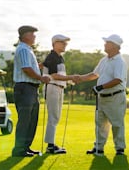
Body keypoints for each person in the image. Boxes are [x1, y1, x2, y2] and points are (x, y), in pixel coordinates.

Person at [79, 34, 128, 156]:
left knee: (117, 123)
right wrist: (80, 78)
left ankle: (119, 148)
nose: (105, 44)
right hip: (102, 97)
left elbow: (118, 79)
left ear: (115, 46)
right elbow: (95, 74)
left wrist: (100, 87)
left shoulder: (119, 61)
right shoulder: (104, 60)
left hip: (115, 96)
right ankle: (98, 148)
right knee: (100, 123)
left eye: (107, 43)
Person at [12, 25, 50, 157]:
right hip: (25, 87)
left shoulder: (28, 50)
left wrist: (38, 67)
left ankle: (26, 147)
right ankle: (19, 149)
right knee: (25, 120)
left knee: (32, 120)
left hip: (31, 88)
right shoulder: (23, 49)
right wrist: (41, 77)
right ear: (25, 35)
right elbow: (26, 69)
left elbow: (30, 67)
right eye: (32, 34)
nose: (34, 36)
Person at [42, 34, 79, 154]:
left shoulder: (60, 57)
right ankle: (50, 146)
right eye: (62, 42)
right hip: (52, 87)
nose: (65, 45)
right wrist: (70, 77)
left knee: (56, 116)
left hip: (58, 88)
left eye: (65, 43)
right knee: (53, 116)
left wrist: (69, 80)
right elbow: (54, 75)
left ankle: (51, 144)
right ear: (55, 43)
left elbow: (61, 76)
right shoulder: (52, 57)